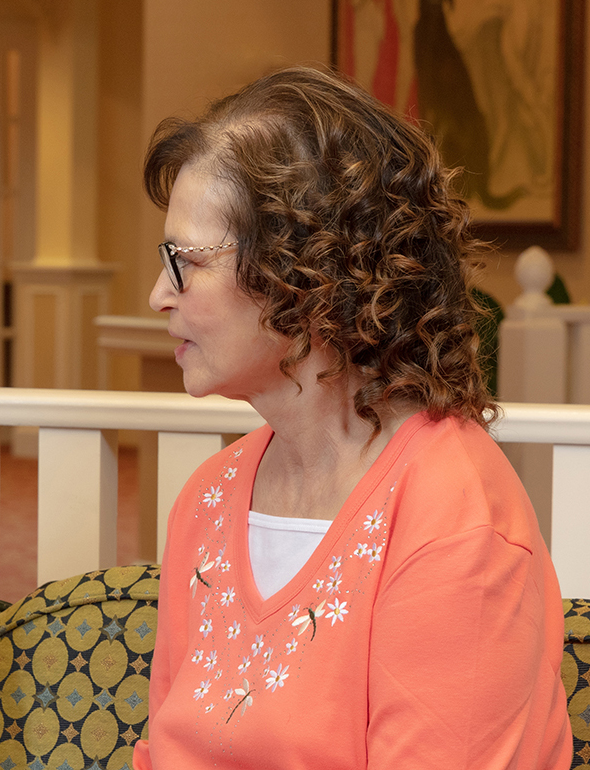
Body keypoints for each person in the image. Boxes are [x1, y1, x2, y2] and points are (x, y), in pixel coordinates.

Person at [135, 66, 571, 769]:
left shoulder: (456, 524)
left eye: (185, 261)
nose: (159, 294)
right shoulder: (208, 499)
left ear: (305, 273)